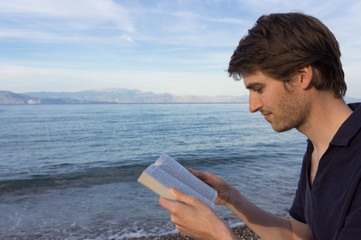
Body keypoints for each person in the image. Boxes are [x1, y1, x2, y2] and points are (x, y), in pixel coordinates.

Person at [159, 12, 361, 240]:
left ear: (301, 76)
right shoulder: (318, 148)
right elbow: (297, 235)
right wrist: (231, 198)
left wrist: (218, 235)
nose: (252, 106)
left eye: (259, 89)